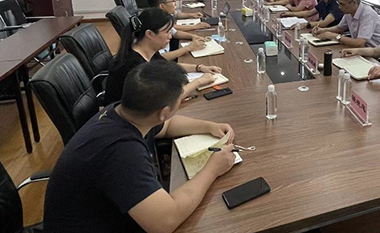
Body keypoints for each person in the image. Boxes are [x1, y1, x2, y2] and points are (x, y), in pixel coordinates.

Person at [44, 61, 236, 233]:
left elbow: (166, 126)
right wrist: (213, 168)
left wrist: (208, 126)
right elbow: (166, 221)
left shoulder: (122, 112)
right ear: (164, 112)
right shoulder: (121, 152)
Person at [104, 8, 221, 105]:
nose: (170, 36)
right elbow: (169, 98)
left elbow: (167, 65)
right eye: (167, 32)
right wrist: (199, 81)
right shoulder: (134, 65)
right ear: (149, 34)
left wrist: (199, 67)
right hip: (130, 120)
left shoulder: (146, 50)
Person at [312, 0, 380, 47]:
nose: (339, 7)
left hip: (375, 54)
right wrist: (323, 30)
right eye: (339, 3)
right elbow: (339, 28)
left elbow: (360, 43)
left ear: (354, 3)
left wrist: (335, 36)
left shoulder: (367, 14)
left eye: (342, 4)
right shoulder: (349, 12)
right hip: (362, 49)